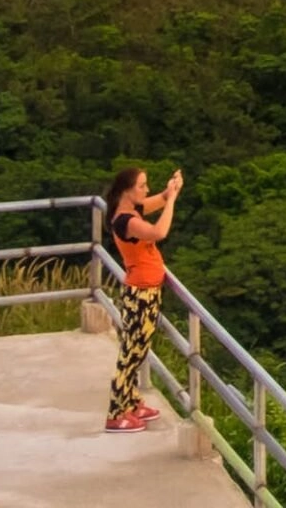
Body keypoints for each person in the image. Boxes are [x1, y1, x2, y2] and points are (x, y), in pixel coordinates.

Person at [100, 165, 181, 434]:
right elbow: (158, 232)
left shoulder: (128, 210)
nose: (146, 190)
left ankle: (131, 403)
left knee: (138, 350)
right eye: (141, 186)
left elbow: (156, 201)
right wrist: (171, 205)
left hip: (146, 289)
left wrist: (170, 193)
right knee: (131, 353)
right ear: (127, 190)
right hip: (141, 293)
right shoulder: (127, 221)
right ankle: (115, 413)